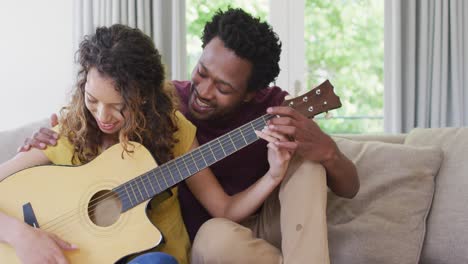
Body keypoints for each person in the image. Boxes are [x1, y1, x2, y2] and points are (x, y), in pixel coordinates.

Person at [20, 8, 359, 264]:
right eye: (202, 72)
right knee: (211, 239)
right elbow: (97, 101)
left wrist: (322, 152)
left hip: (269, 221)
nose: (204, 90)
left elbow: (349, 187)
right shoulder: (153, 106)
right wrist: (22, 231)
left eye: (224, 87)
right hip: (221, 239)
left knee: (309, 164)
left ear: (252, 94)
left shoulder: (267, 111)